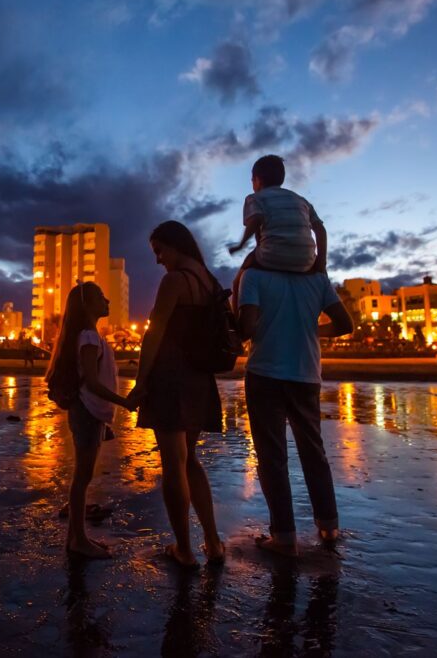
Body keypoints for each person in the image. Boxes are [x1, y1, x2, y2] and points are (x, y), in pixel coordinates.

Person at [127, 221, 226, 568]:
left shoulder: (174, 281)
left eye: (159, 251)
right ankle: (213, 542)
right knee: (191, 460)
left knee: (173, 465)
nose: (157, 260)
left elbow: (154, 334)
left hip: (171, 377)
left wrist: (140, 382)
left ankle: (184, 549)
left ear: (175, 245)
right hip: (200, 378)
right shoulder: (209, 281)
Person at [237, 264, 353, 556]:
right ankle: (329, 526)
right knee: (314, 451)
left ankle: (284, 536)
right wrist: (310, 327)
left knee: (271, 456)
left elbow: (246, 328)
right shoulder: (316, 278)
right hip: (305, 374)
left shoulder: (254, 275)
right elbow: (344, 324)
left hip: (264, 372)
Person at [45, 282, 133, 559]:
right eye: (101, 296)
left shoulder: (88, 335)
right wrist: (125, 402)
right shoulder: (89, 337)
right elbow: (93, 384)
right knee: (82, 477)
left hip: (90, 411)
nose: (107, 300)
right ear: (87, 305)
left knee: (83, 475)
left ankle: (75, 536)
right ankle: (78, 540)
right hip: (87, 410)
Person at [228, 154, 327, 309]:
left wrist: (240, 245)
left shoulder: (255, 198)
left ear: (257, 180)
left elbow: (256, 220)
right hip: (306, 260)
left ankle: (238, 325)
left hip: (271, 255)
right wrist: (321, 263)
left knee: (237, 282)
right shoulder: (301, 200)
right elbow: (320, 229)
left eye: (252, 180)